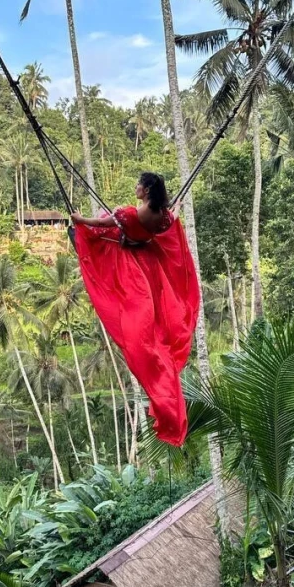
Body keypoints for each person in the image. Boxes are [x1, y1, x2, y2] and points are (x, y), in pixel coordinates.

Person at [71, 173, 200, 446]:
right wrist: (175, 208)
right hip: (149, 263)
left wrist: (80, 220)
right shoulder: (163, 216)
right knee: (154, 328)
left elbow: (101, 223)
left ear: (147, 189)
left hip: (128, 262)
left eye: (139, 184)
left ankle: (82, 243)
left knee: (98, 236)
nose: (136, 187)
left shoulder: (129, 214)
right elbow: (171, 220)